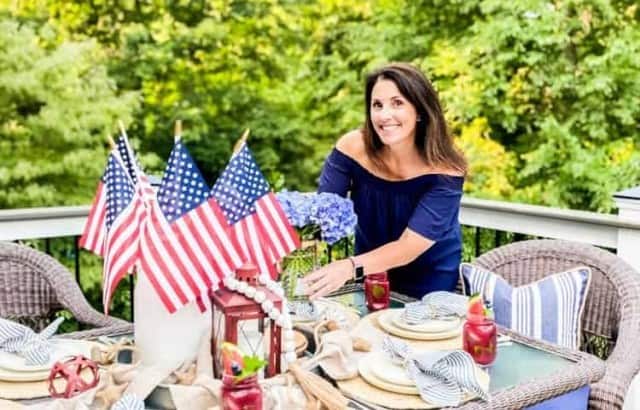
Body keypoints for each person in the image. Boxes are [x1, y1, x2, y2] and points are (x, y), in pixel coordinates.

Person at [302, 62, 467, 300]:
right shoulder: (352, 148)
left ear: (419, 110)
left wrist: (348, 267)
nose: (384, 115)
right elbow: (322, 211)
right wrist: (299, 250)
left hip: (430, 278)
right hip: (369, 271)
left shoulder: (447, 169)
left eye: (397, 103)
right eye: (377, 105)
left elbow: (408, 247)